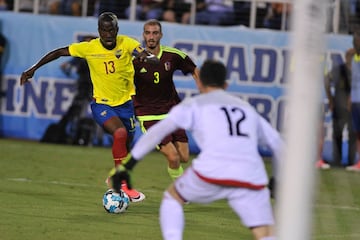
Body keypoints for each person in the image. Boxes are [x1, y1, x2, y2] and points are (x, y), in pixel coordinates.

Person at [110, 59, 283, 240]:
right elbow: (279, 144)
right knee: (264, 232)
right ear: (226, 84)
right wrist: (280, 180)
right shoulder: (246, 108)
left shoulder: (194, 105)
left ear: (200, 82)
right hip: (250, 175)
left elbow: (155, 133)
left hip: (210, 172)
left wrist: (127, 166)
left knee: (172, 198)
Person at [20, 12, 159, 201]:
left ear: (117, 30)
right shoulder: (89, 48)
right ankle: (121, 184)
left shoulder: (126, 43)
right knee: (119, 133)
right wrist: (32, 69)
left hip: (126, 105)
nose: (108, 34)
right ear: (99, 31)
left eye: (111, 30)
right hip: (102, 104)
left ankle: (114, 177)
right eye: (104, 30)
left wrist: (149, 58)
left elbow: (143, 53)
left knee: (126, 148)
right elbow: (59, 52)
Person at [132, 19, 200, 180]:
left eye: (155, 33)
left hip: (172, 112)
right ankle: (182, 191)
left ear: (160, 35)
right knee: (173, 157)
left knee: (183, 157)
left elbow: (194, 69)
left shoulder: (172, 55)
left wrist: (206, 93)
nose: (151, 36)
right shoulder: (134, 60)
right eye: (148, 33)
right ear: (143, 35)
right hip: (148, 114)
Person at [325, 48, 356, 167]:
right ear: (347, 57)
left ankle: (351, 162)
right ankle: (336, 162)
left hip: (353, 109)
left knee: (352, 137)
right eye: (350, 56)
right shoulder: (339, 69)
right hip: (339, 106)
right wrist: (330, 99)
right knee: (337, 134)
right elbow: (327, 80)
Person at [347, 31, 360, 171]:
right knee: (357, 133)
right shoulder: (354, 58)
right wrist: (350, 98)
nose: (355, 43)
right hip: (356, 99)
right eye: (354, 41)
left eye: (357, 40)